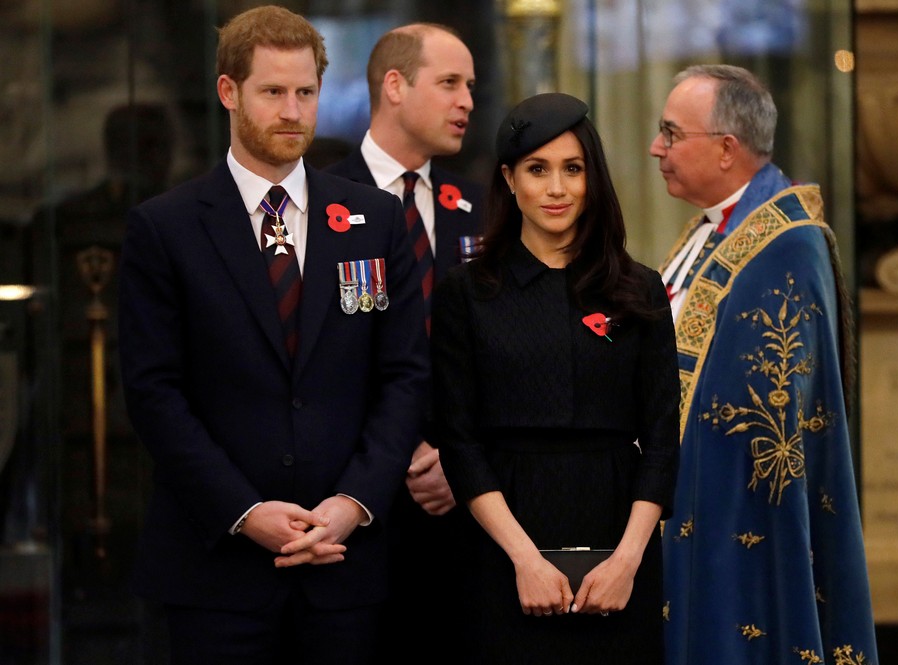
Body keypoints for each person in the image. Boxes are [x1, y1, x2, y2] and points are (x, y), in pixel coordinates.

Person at [117, 6, 429, 664]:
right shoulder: (164, 229)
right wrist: (245, 510)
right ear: (229, 92)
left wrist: (353, 501)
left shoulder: (374, 219)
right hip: (215, 570)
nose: (293, 111)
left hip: (348, 562)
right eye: (273, 92)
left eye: (306, 92)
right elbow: (153, 393)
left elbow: (404, 374)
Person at [431, 92, 680, 664]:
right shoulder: (467, 294)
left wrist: (626, 561)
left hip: (621, 538)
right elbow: (459, 444)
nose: (557, 188)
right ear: (509, 180)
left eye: (573, 169)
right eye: (537, 170)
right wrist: (525, 560)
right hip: (501, 544)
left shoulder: (639, 289)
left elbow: (664, 439)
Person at [649, 64, 878, 665]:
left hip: (733, 524)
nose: (657, 148)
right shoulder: (712, 229)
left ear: (726, 149)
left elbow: (761, 423)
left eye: (672, 133)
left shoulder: (785, 244)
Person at [324, 23, 483, 662]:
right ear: (394, 85)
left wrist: (455, 454)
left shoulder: (479, 209)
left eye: (471, 86)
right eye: (449, 83)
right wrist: (397, 454)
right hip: (354, 504)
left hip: (462, 505)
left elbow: (499, 355)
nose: (467, 100)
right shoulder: (320, 202)